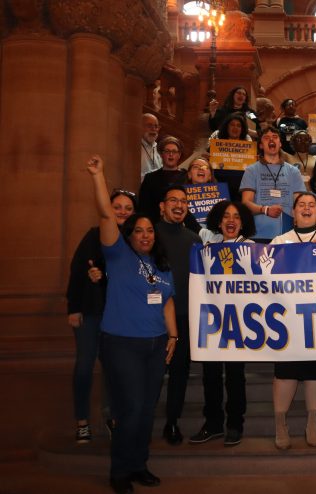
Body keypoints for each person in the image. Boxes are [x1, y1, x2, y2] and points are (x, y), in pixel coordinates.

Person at [87, 155, 176, 494]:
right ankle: (120, 470)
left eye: (149, 230)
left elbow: (167, 300)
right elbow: (106, 213)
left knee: (146, 408)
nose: (144, 235)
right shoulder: (117, 254)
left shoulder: (162, 266)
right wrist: (98, 176)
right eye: (138, 230)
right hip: (121, 343)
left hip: (155, 346)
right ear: (130, 234)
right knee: (131, 407)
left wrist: (174, 336)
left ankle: (139, 463)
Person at [269, 192, 316, 449]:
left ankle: (312, 422)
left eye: (311, 205)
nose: (307, 208)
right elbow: (267, 275)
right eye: (302, 205)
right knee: (285, 373)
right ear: (294, 211)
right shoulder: (280, 240)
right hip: (288, 319)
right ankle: (281, 424)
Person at [66, 189, 137, 443]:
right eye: (117, 207)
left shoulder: (135, 241)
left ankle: (112, 417)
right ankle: (82, 421)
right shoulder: (93, 236)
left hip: (118, 315)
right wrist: (73, 308)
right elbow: (77, 270)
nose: (122, 212)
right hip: (90, 312)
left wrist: (104, 277)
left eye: (128, 208)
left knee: (115, 369)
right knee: (85, 366)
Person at [190, 200, 256, 447]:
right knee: (210, 376)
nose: (231, 221)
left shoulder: (252, 249)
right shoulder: (206, 248)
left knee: (235, 376)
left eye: (236, 217)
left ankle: (235, 424)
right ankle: (213, 424)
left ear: (243, 223)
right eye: (226, 216)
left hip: (240, 322)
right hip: (212, 322)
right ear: (218, 222)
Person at [156, 186, 202, 446]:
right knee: (149, 373)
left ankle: (172, 422)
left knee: (179, 373)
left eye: (183, 201)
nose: (179, 204)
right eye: (173, 199)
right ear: (162, 206)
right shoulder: (148, 233)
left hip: (184, 316)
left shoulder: (194, 239)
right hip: (151, 318)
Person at [239, 125, 306, 242]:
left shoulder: (293, 171)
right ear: (260, 145)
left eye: (275, 137)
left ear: (280, 144)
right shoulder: (251, 170)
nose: (271, 140)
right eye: (266, 138)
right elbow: (245, 202)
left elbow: (300, 202)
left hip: (287, 232)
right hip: (259, 233)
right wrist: (265, 210)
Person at [139, 136, 187, 222]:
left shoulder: (187, 176)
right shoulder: (150, 178)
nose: (171, 154)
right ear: (161, 154)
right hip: (157, 225)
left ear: (179, 155)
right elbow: (143, 208)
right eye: (167, 151)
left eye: (174, 151)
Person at [211, 112, 251, 202]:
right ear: (227, 127)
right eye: (232, 125)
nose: (235, 128)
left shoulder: (250, 149)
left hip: (241, 192)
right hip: (219, 189)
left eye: (238, 126)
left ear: (242, 129)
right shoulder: (216, 146)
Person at [140, 114, 162, 181]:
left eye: (156, 126)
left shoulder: (159, 148)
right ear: (140, 126)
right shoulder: (133, 147)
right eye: (149, 125)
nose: (154, 129)